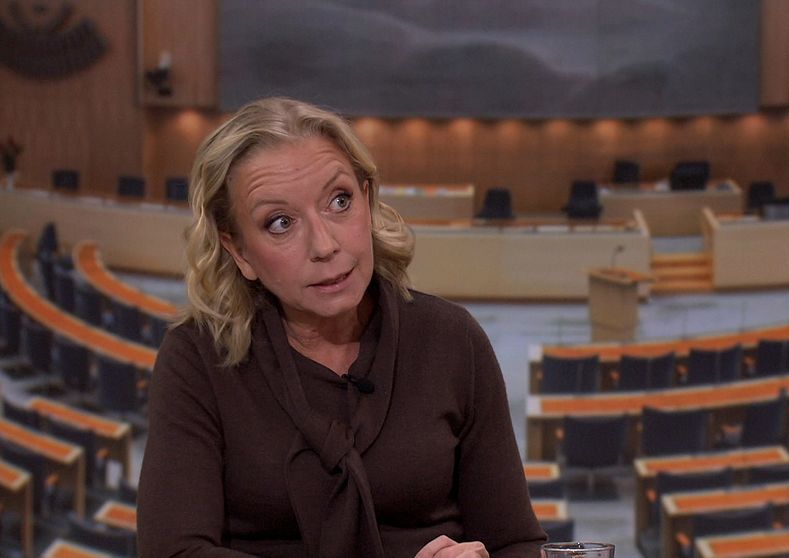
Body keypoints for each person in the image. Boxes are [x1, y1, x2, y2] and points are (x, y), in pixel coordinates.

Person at [137, 97, 546, 557]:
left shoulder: (452, 340)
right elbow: (173, 553)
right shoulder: (197, 358)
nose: (325, 244)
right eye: (280, 223)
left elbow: (516, 543)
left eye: (339, 201)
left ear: (367, 201)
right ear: (239, 251)